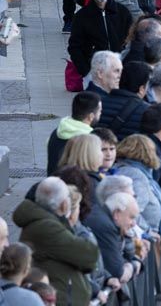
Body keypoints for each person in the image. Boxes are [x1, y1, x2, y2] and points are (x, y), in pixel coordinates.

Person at [12, 177, 99, 306]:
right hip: (60, 298)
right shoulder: (47, 227)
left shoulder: (46, 222)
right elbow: (89, 255)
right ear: (64, 204)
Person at [66, 0, 132, 91]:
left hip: (120, 73)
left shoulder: (123, 12)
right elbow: (74, 47)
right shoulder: (82, 16)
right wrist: (86, 72)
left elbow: (132, 42)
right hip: (94, 74)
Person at [45, 94, 101, 176]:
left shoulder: (57, 131)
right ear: (91, 116)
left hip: (53, 183)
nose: (100, 114)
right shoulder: (88, 139)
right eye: (100, 111)